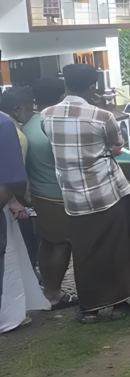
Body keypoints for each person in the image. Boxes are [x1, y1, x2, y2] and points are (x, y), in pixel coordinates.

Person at [41, 64, 130, 324]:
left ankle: (89, 309)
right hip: (106, 192)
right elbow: (116, 144)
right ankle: (119, 305)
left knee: (84, 252)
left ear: (65, 84)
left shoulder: (46, 115)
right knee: (118, 247)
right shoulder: (101, 116)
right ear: (92, 87)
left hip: (72, 196)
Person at [25, 78, 78, 309]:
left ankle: (48, 290)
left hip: (37, 193)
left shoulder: (27, 123)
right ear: (61, 96)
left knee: (48, 243)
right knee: (64, 243)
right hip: (57, 194)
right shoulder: (52, 123)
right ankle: (54, 295)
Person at [1, 107, 49, 334]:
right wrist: (14, 201)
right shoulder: (4, 124)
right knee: (9, 260)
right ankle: (7, 314)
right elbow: (13, 179)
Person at [0, 87, 38, 270]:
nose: (34, 111)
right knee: (25, 254)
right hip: (15, 206)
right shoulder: (16, 134)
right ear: (17, 110)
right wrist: (18, 202)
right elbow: (13, 177)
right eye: (31, 106)